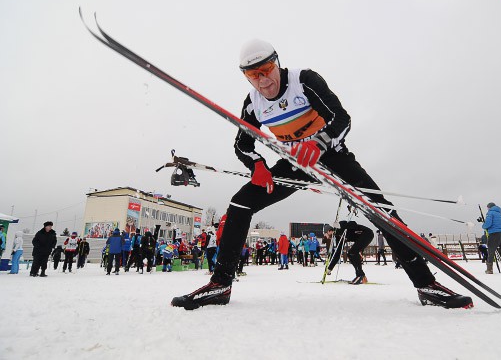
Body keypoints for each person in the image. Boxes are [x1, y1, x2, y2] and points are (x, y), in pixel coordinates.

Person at [171, 39, 473, 311]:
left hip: (330, 155)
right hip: (295, 163)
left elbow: (342, 119)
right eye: (253, 75)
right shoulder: (253, 103)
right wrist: (258, 166)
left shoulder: (304, 80)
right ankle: (221, 284)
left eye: (266, 69)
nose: (263, 80)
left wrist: (318, 143)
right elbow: (242, 145)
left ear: (277, 63)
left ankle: (426, 284)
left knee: (383, 213)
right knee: (240, 204)